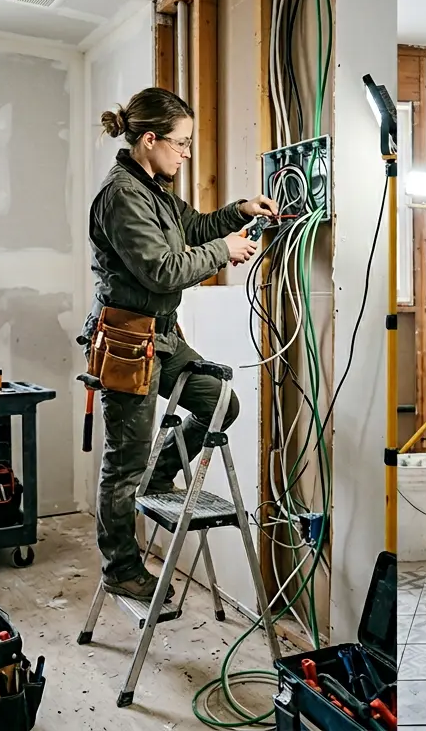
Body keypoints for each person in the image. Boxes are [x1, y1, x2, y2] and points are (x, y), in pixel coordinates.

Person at [84, 87, 278, 602]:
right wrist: (223, 251)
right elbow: (163, 271)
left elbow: (193, 228)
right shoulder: (122, 196)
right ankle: (120, 567)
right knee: (123, 464)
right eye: (182, 143)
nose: (187, 153)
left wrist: (239, 211)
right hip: (129, 341)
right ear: (150, 139)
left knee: (219, 404)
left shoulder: (155, 189)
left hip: (164, 336)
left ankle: (159, 476)